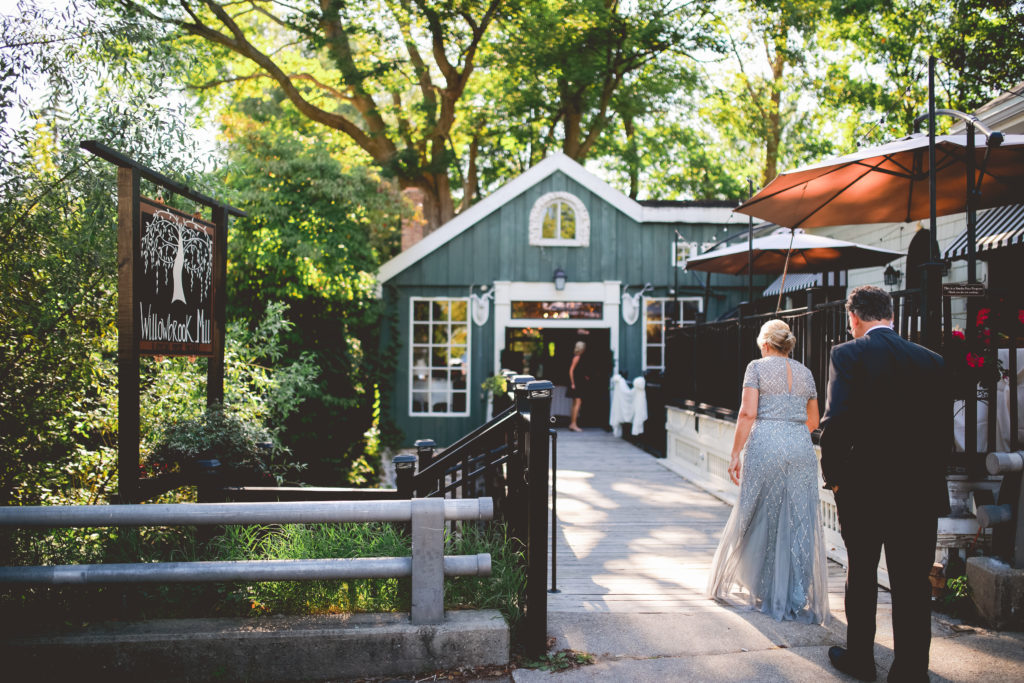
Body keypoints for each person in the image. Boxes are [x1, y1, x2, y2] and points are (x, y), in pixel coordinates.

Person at [819, 286, 949, 683]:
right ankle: (910, 670)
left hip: (864, 488)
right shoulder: (932, 360)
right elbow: (942, 432)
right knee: (912, 583)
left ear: (854, 317)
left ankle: (860, 658)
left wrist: (836, 480)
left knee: (861, 575)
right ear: (890, 315)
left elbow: (834, 425)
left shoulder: (847, 354)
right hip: (919, 491)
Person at [707, 319, 830, 624]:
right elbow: (814, 421)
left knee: (759, 512)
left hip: (766, 444)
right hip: (800, 448)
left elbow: (748, 412)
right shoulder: (806, 373)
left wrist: (735, 453)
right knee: (797, 517)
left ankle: (762, 585)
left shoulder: (757, 367)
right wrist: (790, 432)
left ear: (765, 343)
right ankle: (792, 590)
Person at [567, 341, 587, 432]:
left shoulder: (578, 357)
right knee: (577, 403)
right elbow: (571, 370)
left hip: (577, 383)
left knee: (575, 403)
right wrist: (573, 383)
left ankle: (572, 423)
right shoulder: (577, 357)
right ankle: (573, 424)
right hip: (576, 384)